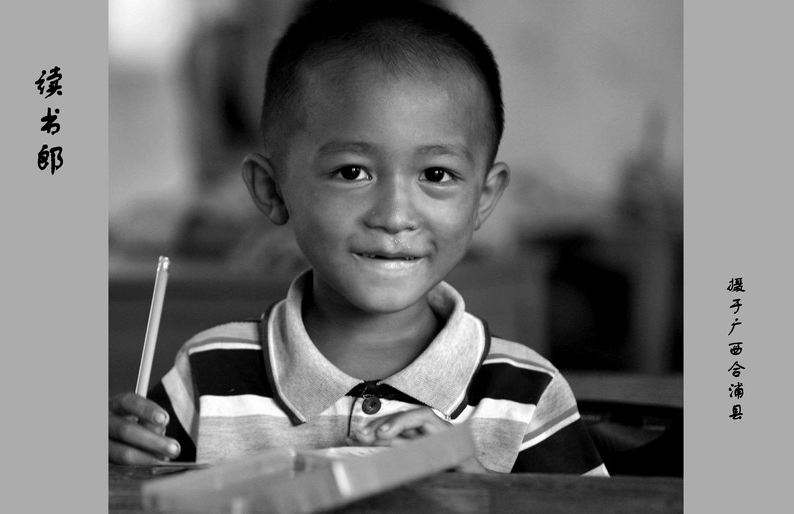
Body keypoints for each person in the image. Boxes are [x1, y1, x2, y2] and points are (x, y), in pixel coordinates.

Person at [108, 0, 607, 476]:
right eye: (352, 172)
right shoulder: (207, 377)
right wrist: (111, 466)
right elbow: (143, 491)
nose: (394, 216)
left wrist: (478, 488)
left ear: (483, 197)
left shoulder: (525, 394)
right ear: (272, 190)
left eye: (436, 174)